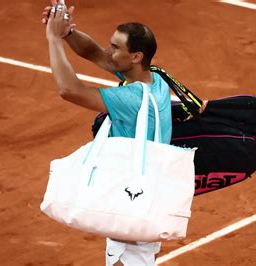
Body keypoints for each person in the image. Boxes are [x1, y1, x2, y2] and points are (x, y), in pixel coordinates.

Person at [43, 1, 172, 265]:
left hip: (131, 199)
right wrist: (68, 32)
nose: (109, 51)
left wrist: (54, 40)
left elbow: (70, 90)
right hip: (149, 193)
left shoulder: (132, 98)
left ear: (136, 56)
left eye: (116, 47)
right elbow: (94, 53)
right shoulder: (154, 79)